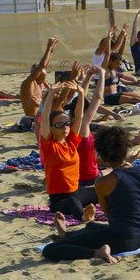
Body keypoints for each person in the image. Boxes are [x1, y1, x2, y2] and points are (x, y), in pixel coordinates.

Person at [40, 123, 140, 262]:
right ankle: (65, 234)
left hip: (120, 240)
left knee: (49, 250)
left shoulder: (104, 182)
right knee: (91, 226)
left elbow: (109, 214)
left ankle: (97, 253)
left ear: (102, 156)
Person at [37, 78, 97, 220]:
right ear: (51, 128)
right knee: (72, 203)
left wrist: (81, 94)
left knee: (103, 190)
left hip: (77, 191)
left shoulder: (71, 141)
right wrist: (51, 94)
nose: (65, 127)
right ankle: (84, 217)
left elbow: (79, 117)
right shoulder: (49, 145)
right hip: (59, 199)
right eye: (59, 125)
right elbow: (44, 119)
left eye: (66, 124)